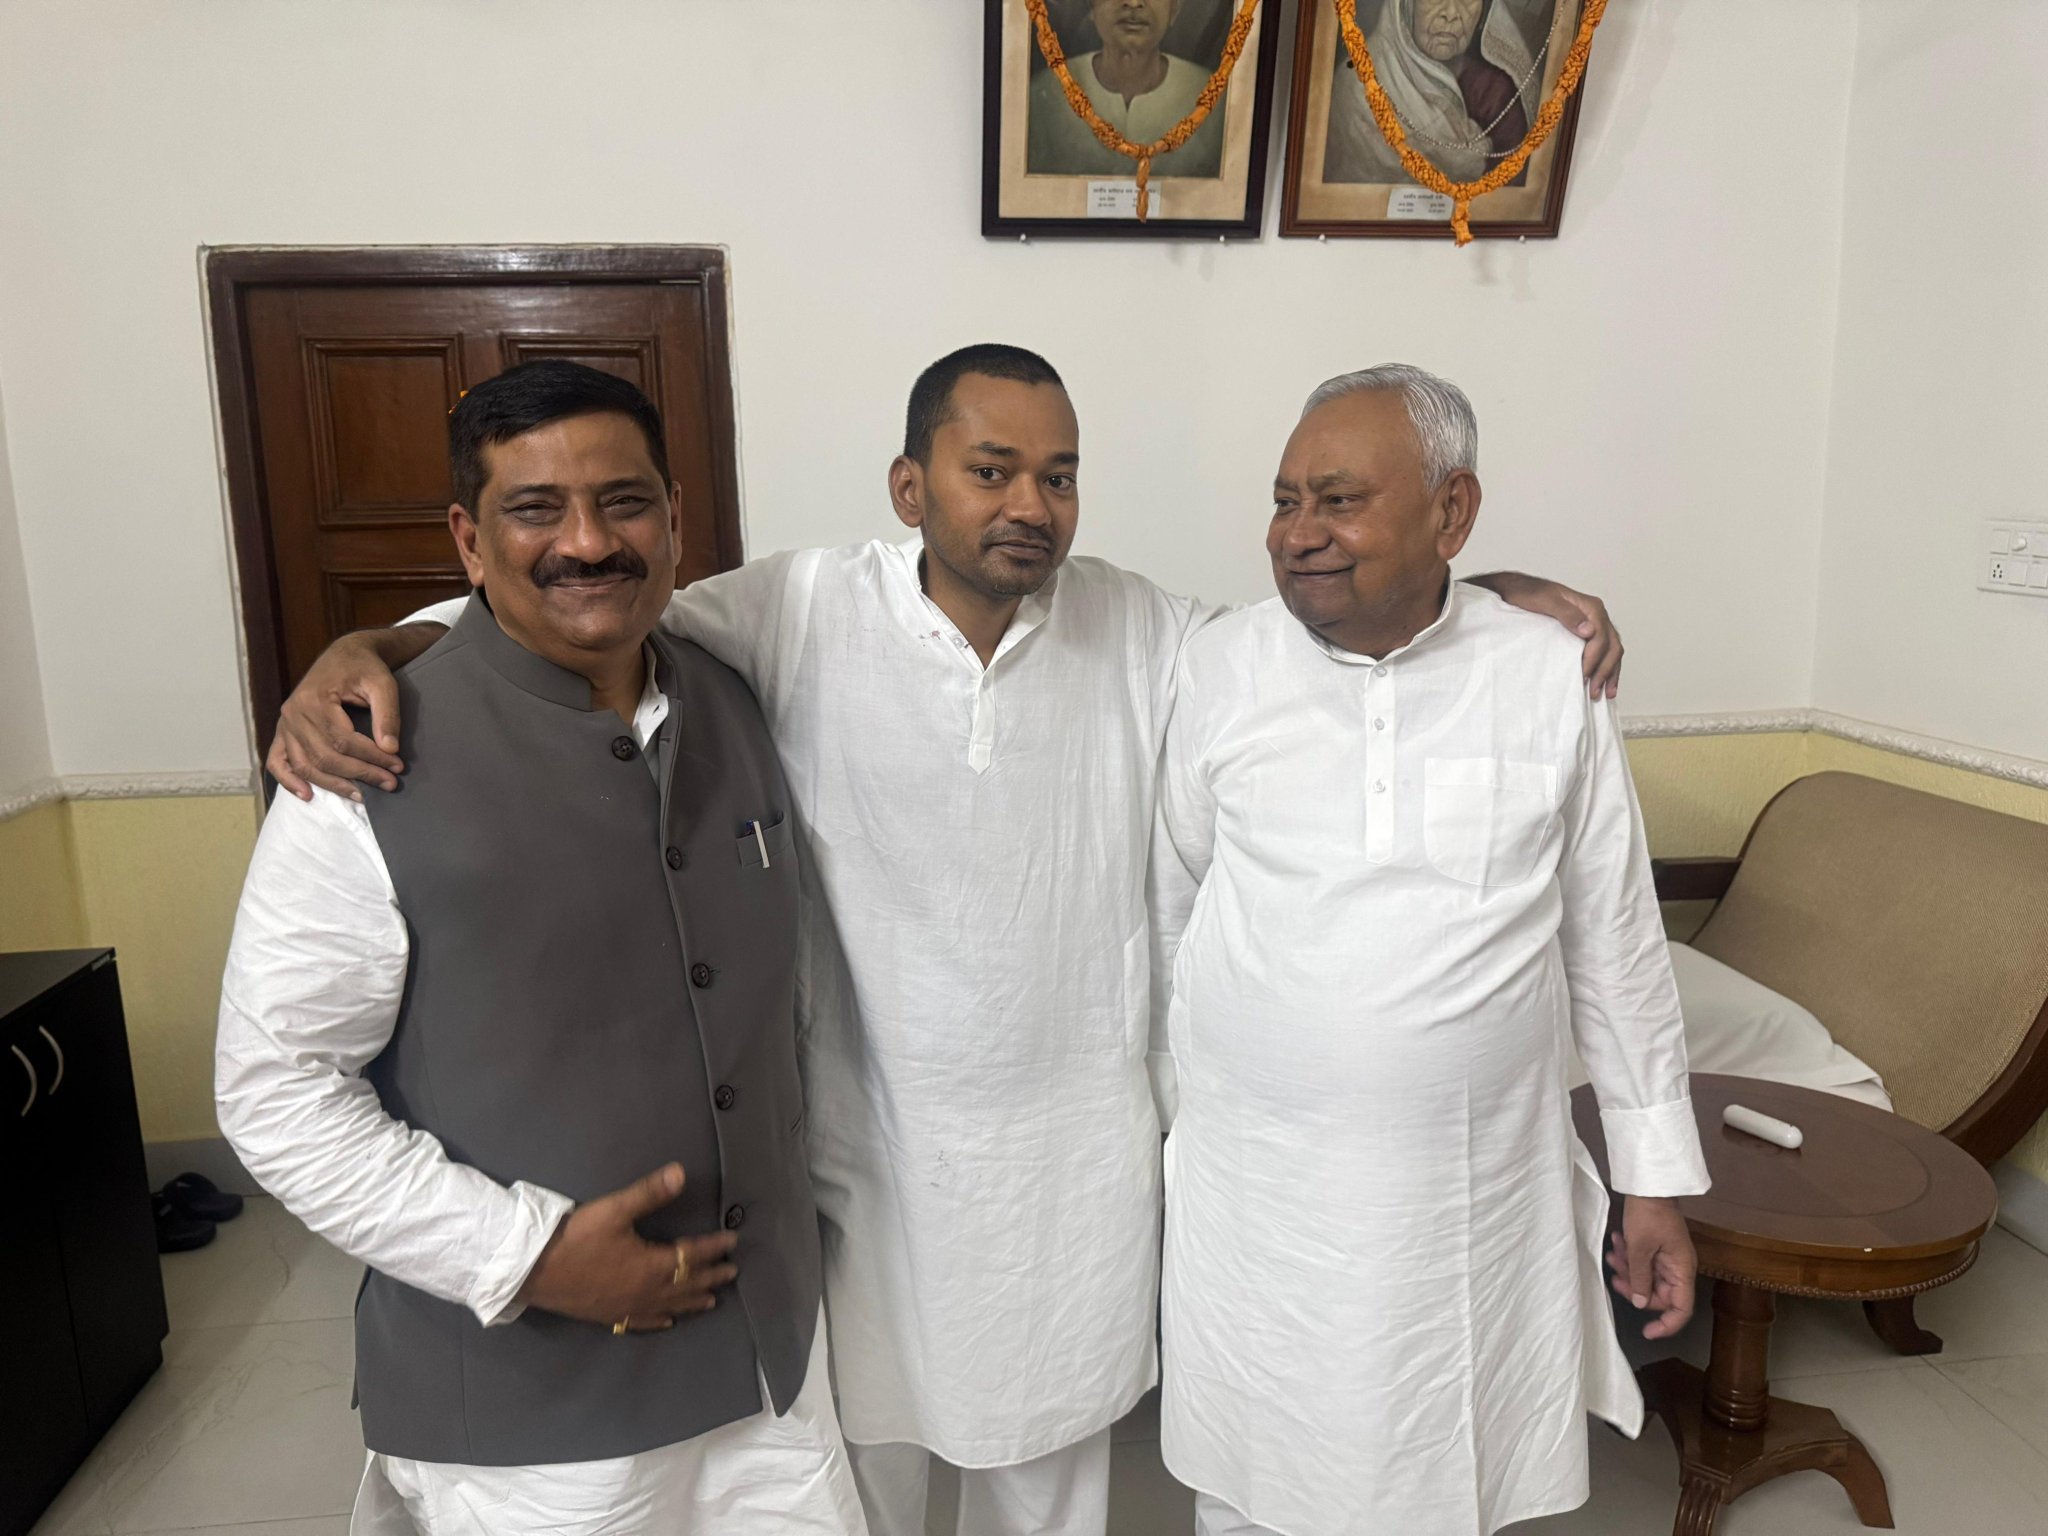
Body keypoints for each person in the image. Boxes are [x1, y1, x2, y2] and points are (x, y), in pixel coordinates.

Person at [268, 344, 1625, 1536]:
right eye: (991, 471)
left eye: (1059, 475)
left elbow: (1319, 640)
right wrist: (372, 644)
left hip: (1074, 1179)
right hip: (868, 1167)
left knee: (1053, 1485)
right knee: (859, 1479)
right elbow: (587, 608)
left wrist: (1475, 596)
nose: (1030, 504)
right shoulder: (801, 608)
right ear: (910, 487)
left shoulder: (1145, 629)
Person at [216, 362, 865, 1535]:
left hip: (770, 1377)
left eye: (623, 502)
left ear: (674, 516)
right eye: (534, 509)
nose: (588, 541)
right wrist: (524, 1255)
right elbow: (276, 1091)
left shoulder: (737, 697)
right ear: (468, 541)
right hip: (537, 1422)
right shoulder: (362, 767)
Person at [1149, 364, 1709, 1536]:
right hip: (1258, 1196)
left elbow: (1612, 938)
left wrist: (1651, 1179)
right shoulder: (1215, 666)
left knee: (1444, 1466)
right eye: (1283, 500)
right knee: (1254, 1472)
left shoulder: (1547, 672)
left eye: (1338, 500)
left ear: (1451, 512)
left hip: (1467, 1201)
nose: (1296, 532)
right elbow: (1176, 900)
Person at [1327, 0, 1537, 187]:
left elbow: (1508, 195)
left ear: (1484, 14)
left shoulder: (1498, 95)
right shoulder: (1357, 84)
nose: (1451, 13)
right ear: (1404, 5)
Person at [1027, 0, 1225, 179]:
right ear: (1091, 7)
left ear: (1174, 9)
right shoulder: (1044, 94)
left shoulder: (1213, 97)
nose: (1133, 3)